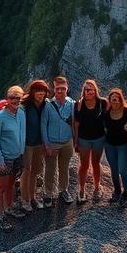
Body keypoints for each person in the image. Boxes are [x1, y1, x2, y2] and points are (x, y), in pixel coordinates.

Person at [0, 86, 27, 231]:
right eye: (12, 97)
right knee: (0, 188)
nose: (15, 100)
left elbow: (22, 132)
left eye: (18, 98)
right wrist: (0, 161)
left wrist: (22, 151)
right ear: (7, 99)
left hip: (18, 155)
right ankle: (0, 217)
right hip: (5, 158)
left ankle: (9, 207)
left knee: (11, 183)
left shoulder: (21, 113)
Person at [41, 75, 75, 206]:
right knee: (50, 169)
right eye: (57, 88)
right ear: (54, 89)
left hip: (67, 142)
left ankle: (63, 190)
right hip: (52, 142)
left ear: (67, 89)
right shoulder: (48, 105)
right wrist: (46, 144)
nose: (60, 91)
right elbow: (43, 125)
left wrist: (75, 141)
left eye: (63, 88)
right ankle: (48, 193)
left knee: (64, 168)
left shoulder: (71, 104)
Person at [73, 79, 107, 203]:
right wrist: (75, 142)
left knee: (96, 163)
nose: (89, 92)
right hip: (84, 138)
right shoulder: (79, 104)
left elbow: (111, 116)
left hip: (99, 138)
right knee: (84, 165)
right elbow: (76, 124)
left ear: (95, 90)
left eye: (92, 89)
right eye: (87, 90)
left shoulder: (103, 103)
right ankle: (81, 189)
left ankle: (97, 186)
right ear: (84, 91)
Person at [20, 79, 49, 211]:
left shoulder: (45, 105)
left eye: (43, 91)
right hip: (27, 144)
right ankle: (25, 200)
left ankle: (33, 198)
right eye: (38, 91)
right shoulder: (25, 105)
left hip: (39, 143)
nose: (40, 93)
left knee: (35, 172)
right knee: (27, 171)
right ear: (32, 92)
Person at [103, 87, 127, 206]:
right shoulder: (106, 114)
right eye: (113, 99)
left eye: (117, 99)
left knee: (123, 169)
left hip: (123, 145)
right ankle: (117, 191)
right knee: (114, 170)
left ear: (121, 100)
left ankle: (126, 193)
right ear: (109, 100)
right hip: (110, 145)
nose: (115, 101)